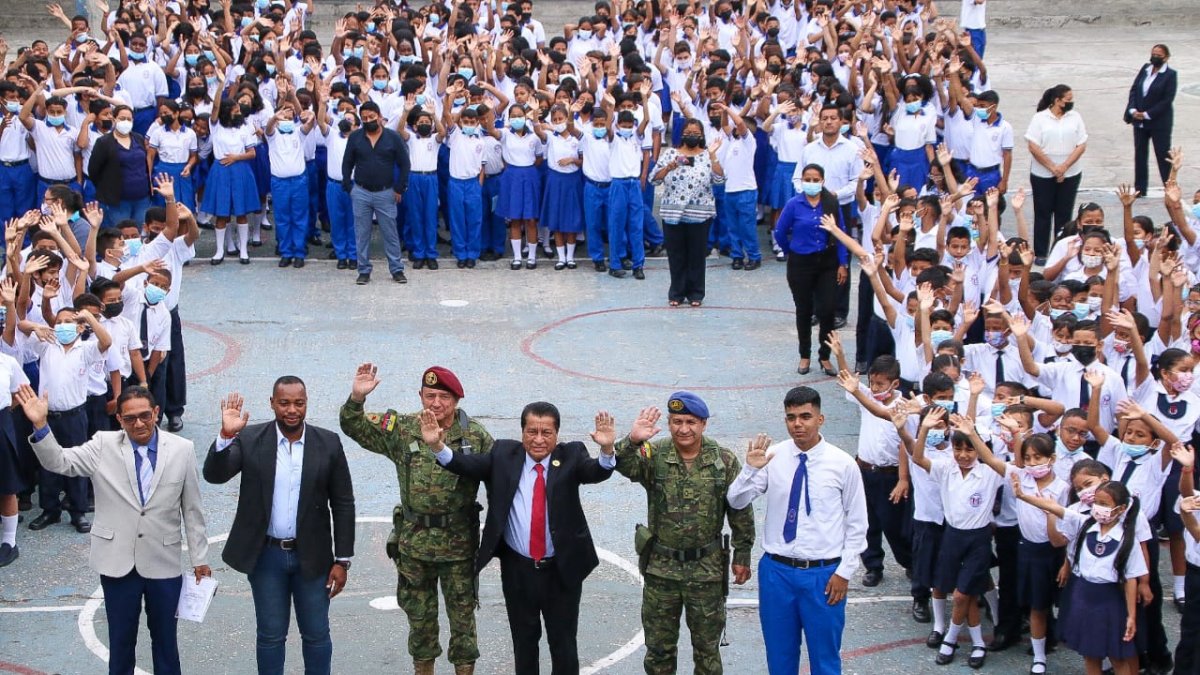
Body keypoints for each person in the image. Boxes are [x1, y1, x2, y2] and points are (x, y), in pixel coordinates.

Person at [19, 384, 209, 675]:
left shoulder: (183, 450)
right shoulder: (102, 445)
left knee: (166, 643)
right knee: (120, 644)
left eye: (145, 415)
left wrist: (200, 560)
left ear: (157, 413)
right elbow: (59, 462)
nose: (139, 423)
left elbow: (192, 510)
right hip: (116, 562)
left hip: (164, 562)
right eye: (130, 418)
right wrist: (41, 425)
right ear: (119, 419)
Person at [431, 401, 617, 674]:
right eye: (532, 432)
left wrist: (607, 449)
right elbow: (466, 464)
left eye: (546, 432)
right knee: (524, 643)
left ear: (557, 434)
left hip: (561, 570)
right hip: (518, 570)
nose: (539, 440)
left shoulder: (572, 455)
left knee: (564, 645)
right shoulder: (503, 454)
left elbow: (596, 471)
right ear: (522, 433)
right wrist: (438, 446)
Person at [339, 364, 494, 675]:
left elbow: (499, 479)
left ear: (457, 400)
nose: (435, 403)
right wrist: (357, 397)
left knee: (463, 624)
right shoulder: (403, 428)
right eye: (429, 395)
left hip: (458, 548)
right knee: (420, 623)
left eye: (443, 397)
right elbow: (354, 426)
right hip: (414, 546)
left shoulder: (475, 437)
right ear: (420, 395)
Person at [203, 379, 356, 675]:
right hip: (266, 558)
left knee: (316, 634)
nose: (292, 410)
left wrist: (343, 560)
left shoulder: (328, 443)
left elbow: (343, 502)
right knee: (271, 635)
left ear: (307, 402)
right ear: (272, 402)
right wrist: (225, 436)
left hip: (312, 558)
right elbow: (215, 475)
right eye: (284, 403)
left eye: (299, 403)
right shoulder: (249, 438)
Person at [726, 386, 868, 675]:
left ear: (820, 419)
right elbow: (735, 500)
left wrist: (845, 571)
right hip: (777, 572)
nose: (798, 424)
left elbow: (858, 523)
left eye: (805, 416)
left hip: (824, 575)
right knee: (779, 656)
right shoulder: (772, 456)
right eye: (791, 418)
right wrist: (750, 470)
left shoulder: (842, 464)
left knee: (825, 658)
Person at [613, 394, 755, 675]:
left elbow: (739, 508)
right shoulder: (654, 454)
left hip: (706, 571)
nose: (683, 429)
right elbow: (620, 464)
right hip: (661, 572)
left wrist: (743, 553)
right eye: (677, 421)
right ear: (668, 423)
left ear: (703, 424)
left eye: (691, 422)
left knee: (707, 652)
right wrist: (632, 440)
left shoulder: (723, 460)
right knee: (659, 651)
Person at [775, 164, 848, 377]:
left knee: (827, 310)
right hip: (801, 263)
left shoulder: (831, 203)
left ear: (823, 181)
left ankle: (824, 355)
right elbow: (780, 231)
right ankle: (804, 354)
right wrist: (791, 250)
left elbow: (841, 233)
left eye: (816, 180)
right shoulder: (794, 204)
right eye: (808, 179)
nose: (812, 183)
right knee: (804, 310)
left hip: (827, 262)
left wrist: (842, 263)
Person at [649, 118, 725, 307]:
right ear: (682, 134)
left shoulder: (708, 155)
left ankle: (696, 293)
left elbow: (719, 178)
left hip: (700, 215)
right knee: (676, 255)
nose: (691, 136)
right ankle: (676, 292)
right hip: (673, 214)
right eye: (688, 133)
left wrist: (713, 155)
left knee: (697, 255)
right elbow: (654, 179)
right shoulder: (671, 154)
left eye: (696, 134)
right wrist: (668, 168)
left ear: (701, 136)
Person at [341, 100, 411, 285]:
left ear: (380, 117)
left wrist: (399, 187)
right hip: (361, 192)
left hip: (386, 192)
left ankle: (397, 269)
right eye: (364, 118)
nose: (368, 120)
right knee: (361, 233)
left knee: (390, 233)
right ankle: (363, 270)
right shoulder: (355, 137)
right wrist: (349, 186)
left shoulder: (393, 137)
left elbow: (405, 164)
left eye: (372, 117)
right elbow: (347, 163)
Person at [1026, 85, 1088, 262]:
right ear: (1057, 100)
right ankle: (1041, 252)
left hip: (1070, 172)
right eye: (1067, 100)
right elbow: (1033, 146)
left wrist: (1064, 167)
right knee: (1043, 212)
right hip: (1043, 173)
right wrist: (1053, 167)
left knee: (1064, 213)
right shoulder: (1040, 118)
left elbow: (1081, 144)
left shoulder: (1075, 117)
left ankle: (1060, 249)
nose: (1071, 103)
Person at [86, 106, 153, 229]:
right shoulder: (104, 142)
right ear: (114, 119)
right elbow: (93, 171)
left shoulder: (138, 138)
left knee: (138, 234)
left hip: (142, 199)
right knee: (120, 234)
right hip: (117, 201)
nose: (126, 122)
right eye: (122, 118)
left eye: (129, 119)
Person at [1124, 44, 1176, 198]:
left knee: (1162, 154)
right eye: (1153, 53)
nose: (1155, 57)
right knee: (1140, 153)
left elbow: (1167, 100)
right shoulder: (1145, 69)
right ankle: (1140, 188)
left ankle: (1169, 187)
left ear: (1166, 57)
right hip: (1139, 120)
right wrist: (1133, 110)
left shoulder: (1170, 75)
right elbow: (1135, 90)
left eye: (1159, 55)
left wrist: (1147, 114)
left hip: (1159, 122)